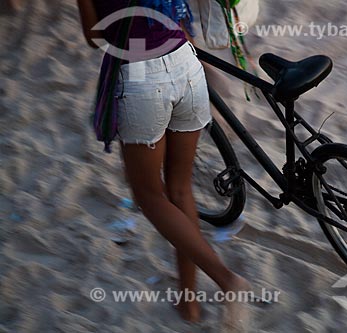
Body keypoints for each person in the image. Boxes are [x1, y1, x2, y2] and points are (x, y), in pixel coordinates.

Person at [77, 0, 250, 328]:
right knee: (180, 189)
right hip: (185, 63)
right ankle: (189, 303)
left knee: (149, 195)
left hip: (141, 74)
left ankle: (228, 280)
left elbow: (95, 37)